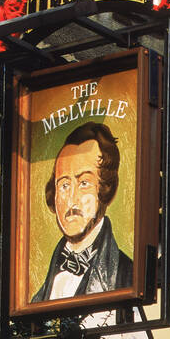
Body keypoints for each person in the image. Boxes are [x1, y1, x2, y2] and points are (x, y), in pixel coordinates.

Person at [32, 123, 133, 303]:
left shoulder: (129, 277)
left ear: (105, 188)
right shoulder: (37, 296)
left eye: (84, 183)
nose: (72, 198)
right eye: (64, 185)